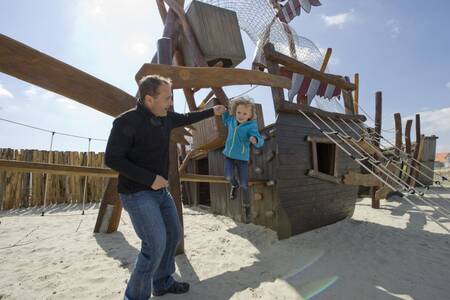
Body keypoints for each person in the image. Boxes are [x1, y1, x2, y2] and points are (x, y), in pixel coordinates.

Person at [105, 74, 226, 300]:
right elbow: (112, 159)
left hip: (160, 192)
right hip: (136, 192)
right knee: (154, 245)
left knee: (173, 234)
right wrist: (150, 178)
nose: (171, 103)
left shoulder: (166, 118)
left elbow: (188, 116)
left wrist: (213, 111)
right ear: (149, 99)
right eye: (167, 98)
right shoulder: (125, 122)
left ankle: (161, 283)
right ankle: (135, 297)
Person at [221, 96, 264, 223]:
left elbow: (259, 139)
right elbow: (226, 119)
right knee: (228, 176)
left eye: (245, 113)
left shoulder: (251, 126)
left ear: (250, 115)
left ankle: (247, 208)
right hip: (229, 154)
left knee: (245, 184)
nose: (241, 115)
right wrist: (223, 111)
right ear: (235, 112)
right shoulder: (232, 120)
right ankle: (234, 185)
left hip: (242, 158)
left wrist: (255, 140)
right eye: (239, 112)